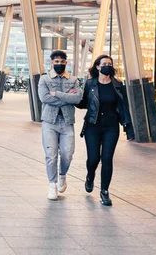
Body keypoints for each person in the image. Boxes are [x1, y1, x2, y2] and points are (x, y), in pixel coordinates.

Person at [77, 55, 133, 207]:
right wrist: (74, 96)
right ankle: (90, 176)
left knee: (107, 159)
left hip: (111, 126)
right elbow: (82, 104)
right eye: (104, 64)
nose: (107, 66)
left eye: (110, 63)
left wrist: (128, 124)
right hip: (93, 125)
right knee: (94, 158)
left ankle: (104, 192)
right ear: (97, 67)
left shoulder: (117, 84)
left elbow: (124, 106)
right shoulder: (90, 84)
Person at [37, 50, 83, 201]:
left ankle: (62, 174)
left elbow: (77, 98)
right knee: (51, 155)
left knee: (68, 153)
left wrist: (56, 94)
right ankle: (52, 185)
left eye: (62, 62)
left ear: (66, 62)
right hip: (49, 122)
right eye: (56, 62)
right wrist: (67, 97)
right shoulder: (44, 79)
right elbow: (44, 98)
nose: (59, 64)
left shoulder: (74, 80)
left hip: (67, 121)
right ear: (51, 63)